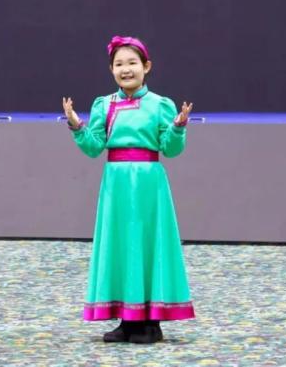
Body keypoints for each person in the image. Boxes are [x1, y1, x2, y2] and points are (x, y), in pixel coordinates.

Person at [62, 35, 195, 344]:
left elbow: (170, 149)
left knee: (147, 243)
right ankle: (127, 319)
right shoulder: (104, 104)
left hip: (148, 185)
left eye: (132, 63)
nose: (126, 69)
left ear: (146, 67)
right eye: (119, 64)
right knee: (121, 245)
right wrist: (77, 126)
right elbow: (94, 147)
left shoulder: (160, 105)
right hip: (116, 185)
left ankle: (150, 323)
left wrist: (178, 127)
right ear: (111, 70)